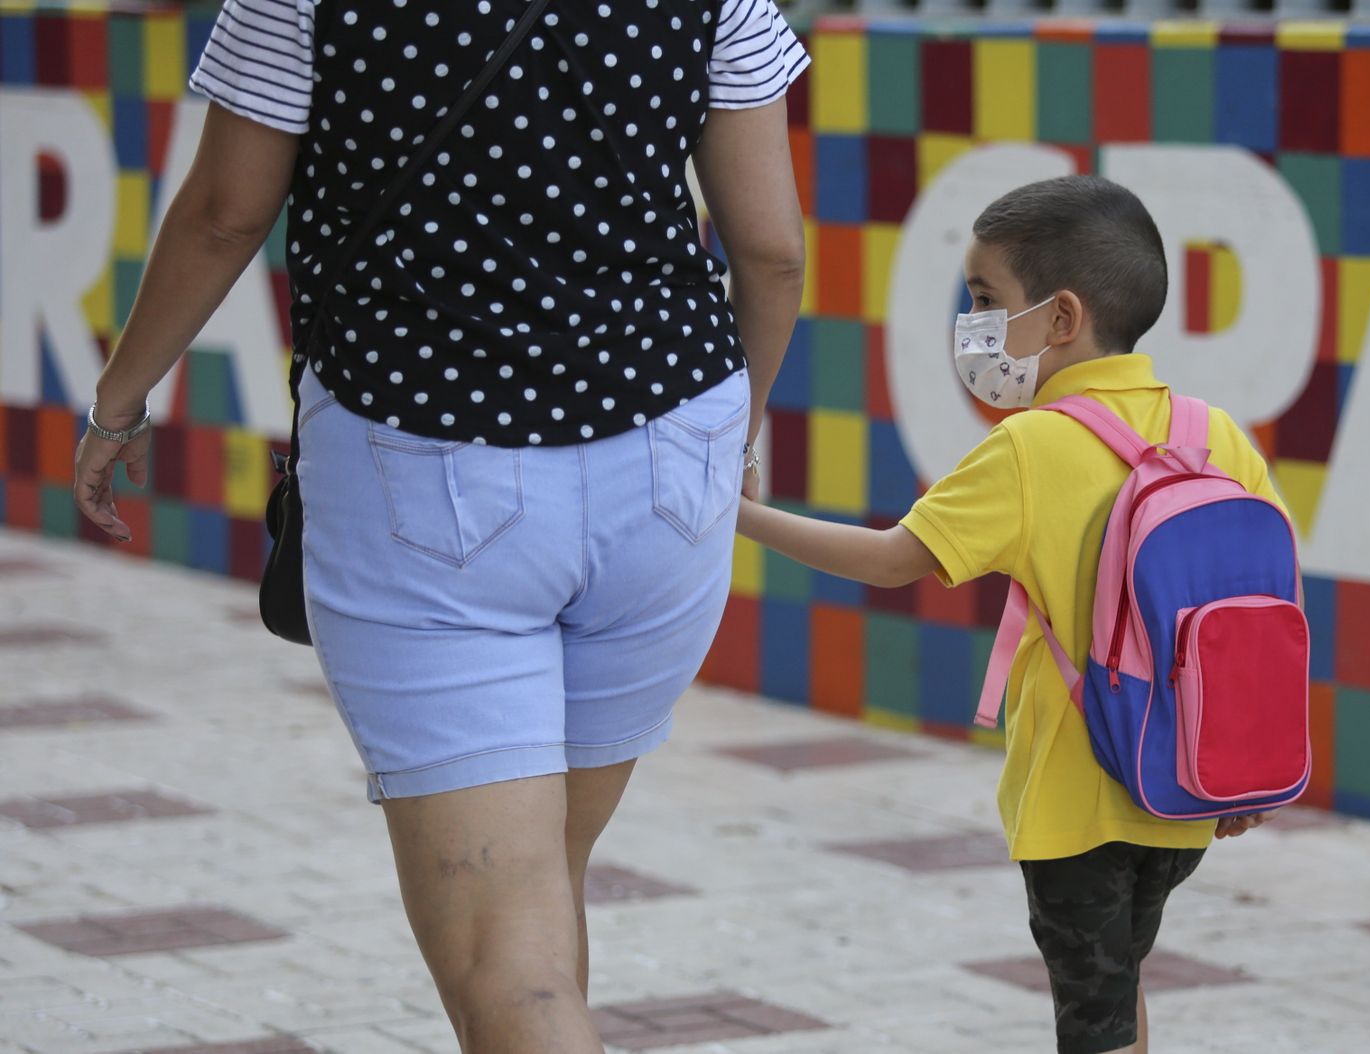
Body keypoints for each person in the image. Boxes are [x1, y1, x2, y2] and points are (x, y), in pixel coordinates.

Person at [73, 1, 807, 1050]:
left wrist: (120, 399)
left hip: (422, 459)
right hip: (668, 455)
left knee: (507, 947)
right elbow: (771, 249)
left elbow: (225, 215)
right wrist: (729, 440)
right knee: (543, 893)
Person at [737, 175, 1276, 1054]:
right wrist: (1243, 768)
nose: (974, 322)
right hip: (1183, 787)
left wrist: (739, 515)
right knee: (1117, 989)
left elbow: (889, 561)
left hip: (1079, 795)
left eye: (987, 298)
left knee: (1092, 1025)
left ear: (1061, 320)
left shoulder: (1032, 444)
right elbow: (1255, 615)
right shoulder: (1212, 432)